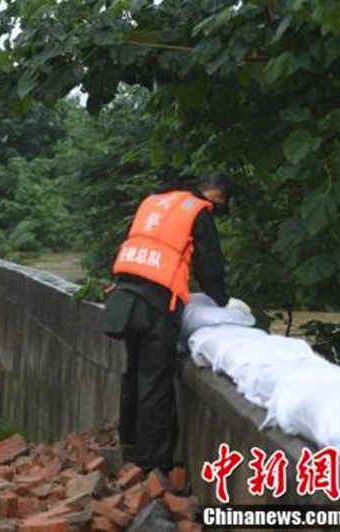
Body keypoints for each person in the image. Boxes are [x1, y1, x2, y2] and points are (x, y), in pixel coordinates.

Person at [98, 173, 249, 474]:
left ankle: (130, 446)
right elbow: (209, 266)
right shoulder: (197, 210)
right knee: (155, 380)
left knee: (134, 375)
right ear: (216, 194)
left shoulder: (154, 201)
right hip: (158, 303)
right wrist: (221, 300)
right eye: (221, 204)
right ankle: (154, 466)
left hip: (126, 296)